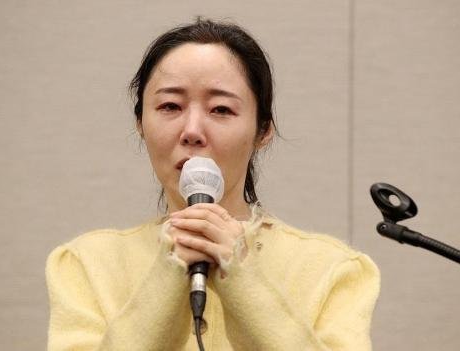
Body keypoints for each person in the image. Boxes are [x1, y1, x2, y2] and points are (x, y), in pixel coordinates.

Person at [46, 18, 380, 351]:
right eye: (170, 106)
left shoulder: (333, 269)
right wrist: (170, 268)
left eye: (220, 109)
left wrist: (241, 275)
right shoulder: (87, 265)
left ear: (263, 130)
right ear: (140, 124)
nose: (192, 130)